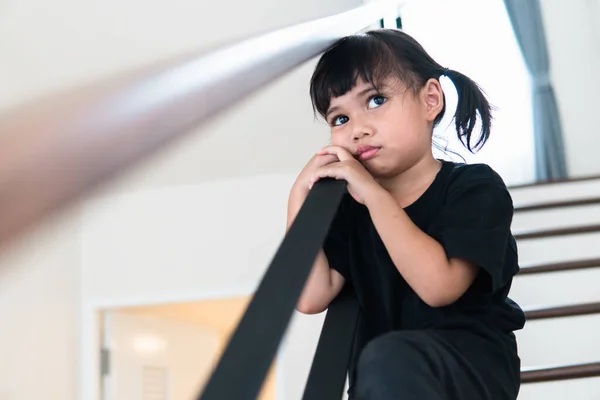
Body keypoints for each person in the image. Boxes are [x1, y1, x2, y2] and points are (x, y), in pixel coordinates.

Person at [286, 29, 525, 400]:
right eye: (339, 119)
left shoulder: (474, 187)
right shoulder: (351, 209)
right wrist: (300, 195)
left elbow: (439, 286)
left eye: (376, 99)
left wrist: (374, 196)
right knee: (381, 364)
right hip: (386, 382)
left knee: (387, 357)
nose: (358, 129)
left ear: (430, 100)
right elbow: (310, 296)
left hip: (467, 372)